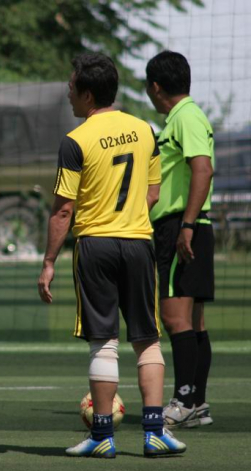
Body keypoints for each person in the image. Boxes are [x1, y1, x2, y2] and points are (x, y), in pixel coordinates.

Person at [37, 53, 186, 458]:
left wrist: (49, 261)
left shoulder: (76, 140)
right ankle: (155, 433)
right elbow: (153, 192)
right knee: (147, 338)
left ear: (87, 94)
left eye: (71, 88)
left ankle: (102, 438)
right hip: (139, 243)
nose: (69, 95)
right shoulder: (145, 130)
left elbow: (64, 209)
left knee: (103, 341)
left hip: (95, 246)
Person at [146, 50, 215, 429]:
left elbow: (202, 169)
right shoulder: (185, 117)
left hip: (181, 227)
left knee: (174, 320)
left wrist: (185, 226)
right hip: (192, 225)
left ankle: (183, 400)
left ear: (155, 87)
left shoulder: (185, 117)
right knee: (195, 321)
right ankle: (198, 403)